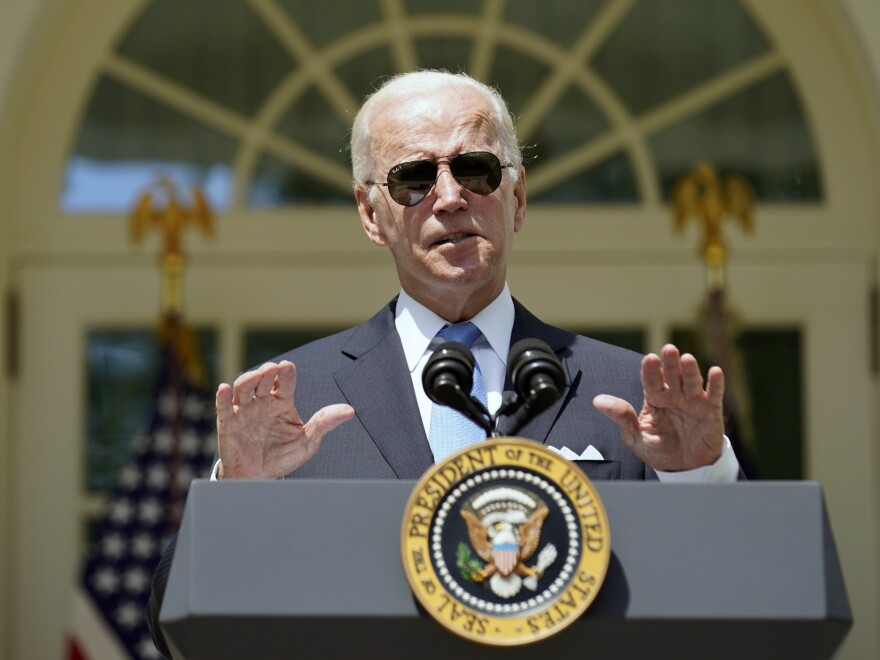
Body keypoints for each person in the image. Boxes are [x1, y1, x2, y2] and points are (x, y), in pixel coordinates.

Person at [148, 69, 738, 655]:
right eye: (413, 179)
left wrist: (696, 478)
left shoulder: (625, 392)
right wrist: (237, 500)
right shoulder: (293, 404)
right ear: (370, 214)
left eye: (476, 170)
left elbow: (734, 609)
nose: (451, 197)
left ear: (519, 197)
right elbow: (176, 630)